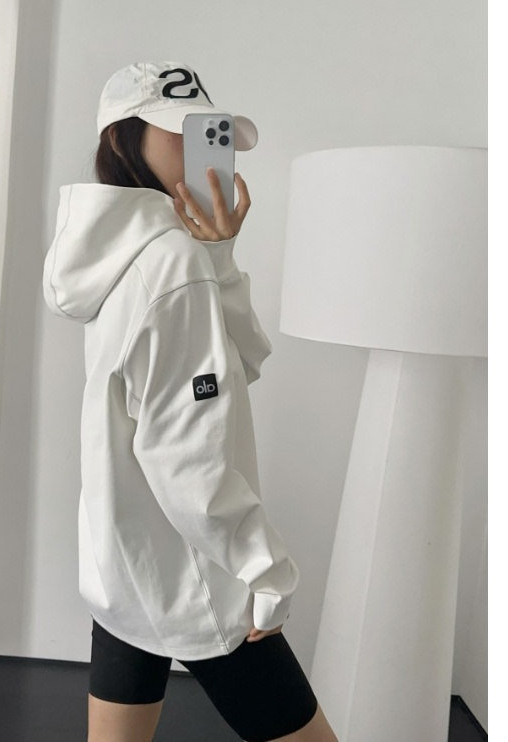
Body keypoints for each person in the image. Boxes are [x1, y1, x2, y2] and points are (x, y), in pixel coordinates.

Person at [43, 61, 339, 742]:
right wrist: (266, 571)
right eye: (178, 129)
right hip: (197, 573)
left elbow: (240, 363)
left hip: (126, 560)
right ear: (123, 140)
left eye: (209, 131)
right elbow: (184, 457)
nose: (203, 146)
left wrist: (220, 256)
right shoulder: (171, 264)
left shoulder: (122, 254)